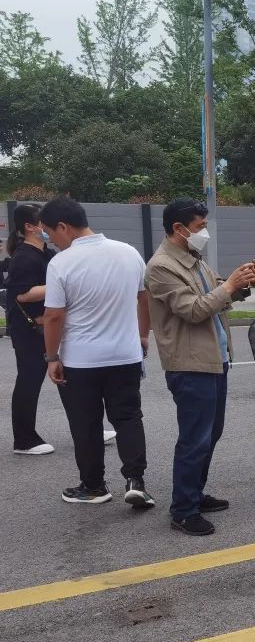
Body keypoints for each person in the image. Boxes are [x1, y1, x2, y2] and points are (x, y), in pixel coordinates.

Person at [145, 198, 255, 536]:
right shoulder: (162, 266)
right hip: (190, 365)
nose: (204, 232)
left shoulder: (194, 260)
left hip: (214, 360)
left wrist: (240, 285)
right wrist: (228, 287)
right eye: (199, 227)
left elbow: (219, 295)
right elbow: (193, 310)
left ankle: (194, 493)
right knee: (195, 439)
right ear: (178, 229)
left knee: (211, 435)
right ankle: (183, 509)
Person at [40, 198, 153, 506]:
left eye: (50, 234)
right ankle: (136, 480)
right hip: (126, 355)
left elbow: (53, 316)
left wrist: (52, 358)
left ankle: (93, 486)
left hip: (82, 360)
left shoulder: (61, 263)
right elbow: (145, 299)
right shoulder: (129, 252)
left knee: (86, 423)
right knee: (128, 417)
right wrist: (143, 335)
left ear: (63, 227)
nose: (51, 241)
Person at [6, 204, 55, 455]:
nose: (48, 227)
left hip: (49, 325)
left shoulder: (46, 252)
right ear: (30, 226)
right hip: (29, 329)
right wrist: (61, 283)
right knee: (30, 380)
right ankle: (24, 440)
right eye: (43, 222)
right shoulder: (24, 256)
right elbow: (24, 294)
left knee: (71, 378)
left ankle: (87, 428)